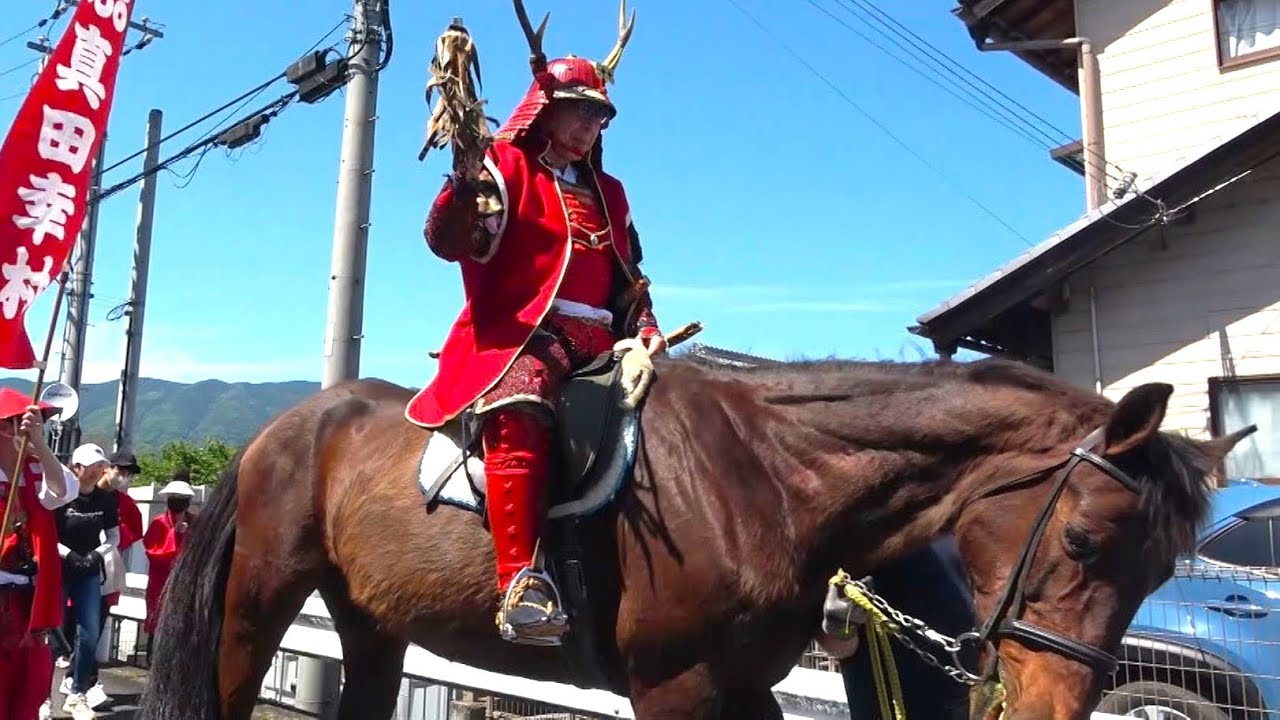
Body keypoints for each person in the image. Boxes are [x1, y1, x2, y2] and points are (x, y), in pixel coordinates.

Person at [405, 5, 664, 645]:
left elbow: (628, 272)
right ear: (545, 108)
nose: (590, 122)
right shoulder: (506, 166)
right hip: (529, 333)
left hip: (607, 338)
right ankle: (520, 582)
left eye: (599, 113)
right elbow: (449, 241)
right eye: (579, 108)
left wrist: (648, 327)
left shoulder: (614, 189)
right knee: (521, 403)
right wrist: (464, 184)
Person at [819, 537, 977, 720]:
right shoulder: (848, 537)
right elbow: (838, 648)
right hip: (891, 707)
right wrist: (839, 626)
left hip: (970, 699)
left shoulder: (956, 524)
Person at [0, 387, 76, 720]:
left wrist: (41, 447)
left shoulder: (36, 469)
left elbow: (60, 491)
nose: (30, 428)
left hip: (30, 602)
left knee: (30, 690)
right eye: (21, 422)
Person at [54, 443, 120, 717]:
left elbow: (114, 535)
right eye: (89, 467)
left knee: (89, 632)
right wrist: (68, 554)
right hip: (60, 571)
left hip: (90, 572)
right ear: (76, 468)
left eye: (99, 467)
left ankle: (77, 692)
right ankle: (42, 698)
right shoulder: (62, 497)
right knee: (52, 634)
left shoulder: (105, 500)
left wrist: (98, 554)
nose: (95, 472)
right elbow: (50, 535)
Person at [142, 472, 195, 646]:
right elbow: (154, 553)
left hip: (186, 582)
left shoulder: (196, 523)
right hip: (161, 581)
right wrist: (176, 534)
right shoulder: (159, 523)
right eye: (174, 497)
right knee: (158, 620)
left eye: (182, 498)